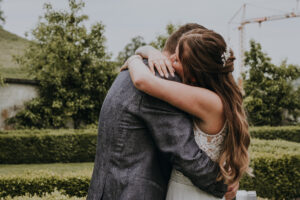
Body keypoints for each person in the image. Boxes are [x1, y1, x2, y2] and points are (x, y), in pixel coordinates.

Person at [87, 24, 238, 200]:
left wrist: (136, 56)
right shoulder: (162, 78)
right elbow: (186, 155)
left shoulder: (128, 73)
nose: (174, 61)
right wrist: (225, 186)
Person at [122, 28, 250, 200]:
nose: (170, 60)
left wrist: (133, 59)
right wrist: (151, 51)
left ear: (194, 74)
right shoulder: (219, 100)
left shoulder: (208, 101)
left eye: (177, 59)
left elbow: (143, 81)